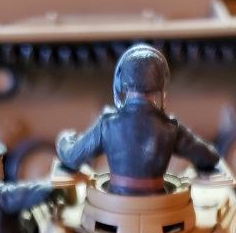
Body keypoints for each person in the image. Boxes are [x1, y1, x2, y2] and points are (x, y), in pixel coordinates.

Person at [56, 44, 219, 195]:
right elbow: (209, 158)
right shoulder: (171, 129)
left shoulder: (107, 125)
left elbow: (71, 158)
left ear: (121, 82)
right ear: (161, 84)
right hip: (158, 204)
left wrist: (65, 139)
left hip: (115, 204)